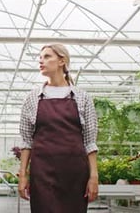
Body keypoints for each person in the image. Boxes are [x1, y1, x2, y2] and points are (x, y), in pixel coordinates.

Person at [17, 43, 99, 213]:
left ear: (62, 61)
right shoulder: (32, 98)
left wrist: (94, 176)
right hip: (42, 173)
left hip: (74, 173)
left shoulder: (82, 98)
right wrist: (23, 175)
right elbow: (26, 142)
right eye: (40, 58)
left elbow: (90, 142)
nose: (41, 61)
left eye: (47, 57)